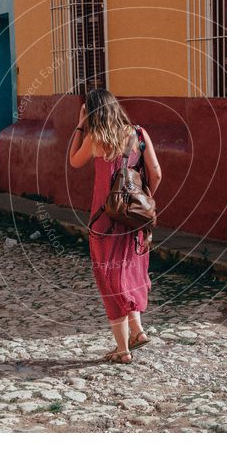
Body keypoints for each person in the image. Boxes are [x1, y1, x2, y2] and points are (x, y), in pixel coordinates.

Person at [69, 88, 162, 364]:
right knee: (129, 272)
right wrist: (143, 199)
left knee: (110, 280)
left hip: (105, 220)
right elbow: (156, 172)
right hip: (133, 219)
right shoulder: (139, 134)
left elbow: (74, 161)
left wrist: (80, 125)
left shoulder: (96, 138)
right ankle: (138, 330)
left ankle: (123, 350)